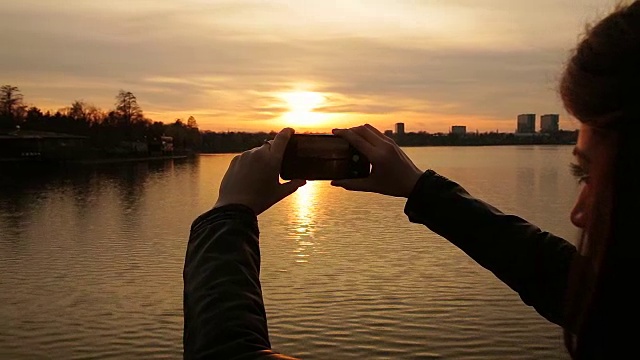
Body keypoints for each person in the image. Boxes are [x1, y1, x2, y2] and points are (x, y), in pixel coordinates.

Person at [183, 2, 640, 359]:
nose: (578, 212)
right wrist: (420, 189)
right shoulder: (618, 314)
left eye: (601, 177)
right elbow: (560, 278)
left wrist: (228, 217)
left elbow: (229, 354)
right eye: (581, 174)